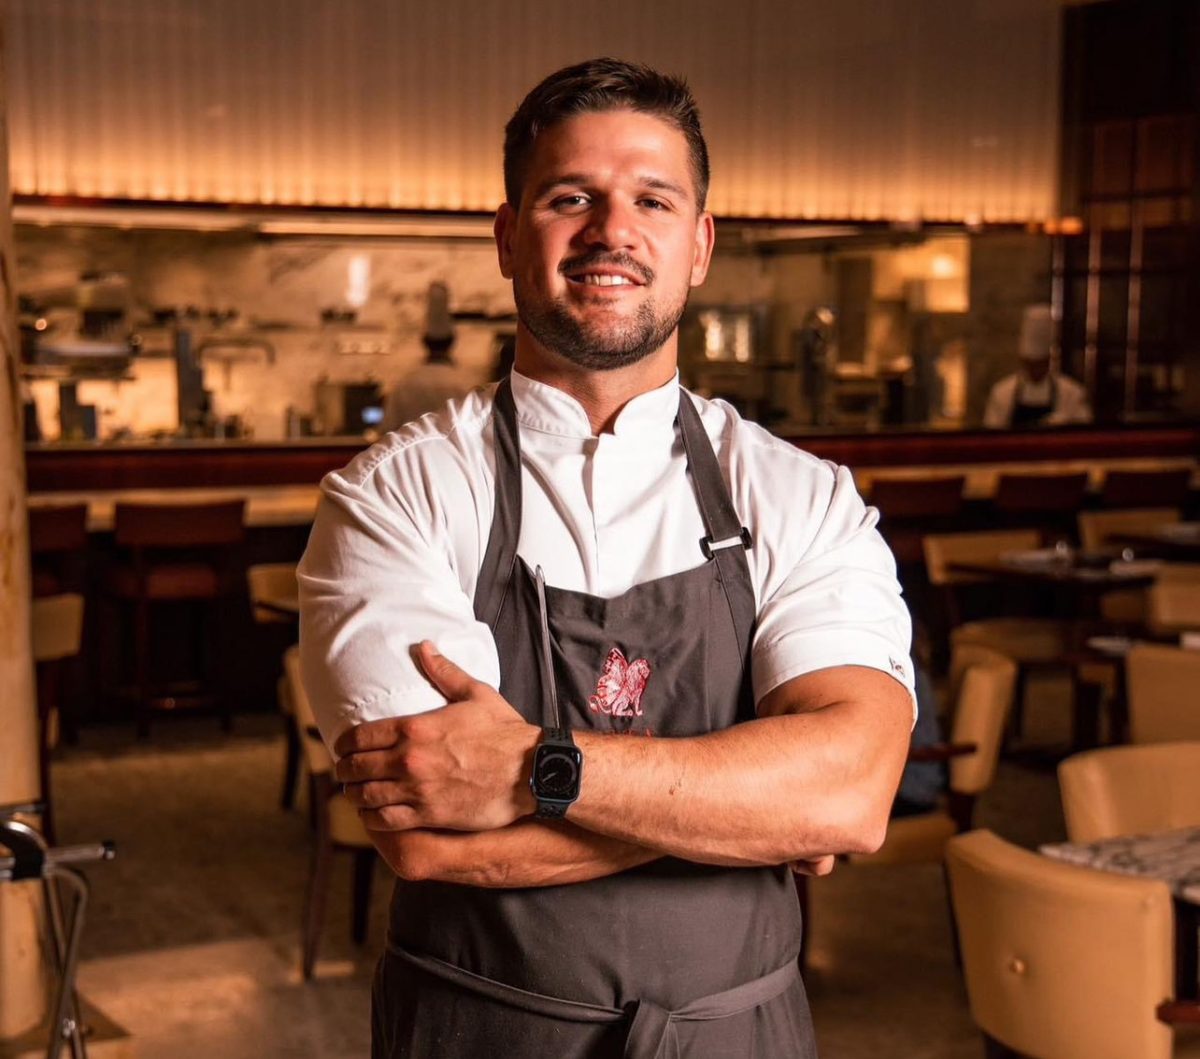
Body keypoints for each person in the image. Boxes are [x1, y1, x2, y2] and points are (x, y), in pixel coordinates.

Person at [298, 57, 915, 1059]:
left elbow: (848, 797)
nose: (611, 232)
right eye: (569, 197)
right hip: (479, 1035)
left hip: (740, 1037)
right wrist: (753, 807)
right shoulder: (396, 495)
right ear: (508, 237)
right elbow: (425, 833)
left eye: (653, 200)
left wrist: (539, 768)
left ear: (700, 244)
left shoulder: (803, 494)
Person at [379, 280, 476, 432]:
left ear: (425, 343)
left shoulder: (405, 385)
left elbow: (386, 432)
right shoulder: (464, 385)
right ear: (452, 343)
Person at [982, 304, 1091, 429]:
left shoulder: (1071, 393)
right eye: (1030, 364)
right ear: (1022, 361)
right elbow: (992, 434)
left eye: (1040, 364)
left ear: (1048, 361)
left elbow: (1084, 432)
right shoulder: (1002, 393)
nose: (1035, 370)